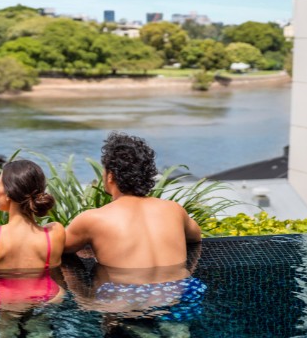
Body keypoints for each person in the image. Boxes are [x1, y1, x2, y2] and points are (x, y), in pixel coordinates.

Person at [62, 132, 205, 331]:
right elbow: (195, 237)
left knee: (88, 303)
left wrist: (90, 253)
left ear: (110, 175)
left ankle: (134, 331)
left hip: (126, 298)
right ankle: (177, 332)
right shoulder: (173, 209)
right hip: (180, 291)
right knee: (176, 324)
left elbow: (60, 248)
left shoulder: (93, 219)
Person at [0, 159, 66, 312]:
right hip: (47, 297)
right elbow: (56, 275)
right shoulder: (55, 232)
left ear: (8, 193)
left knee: (6, 329)